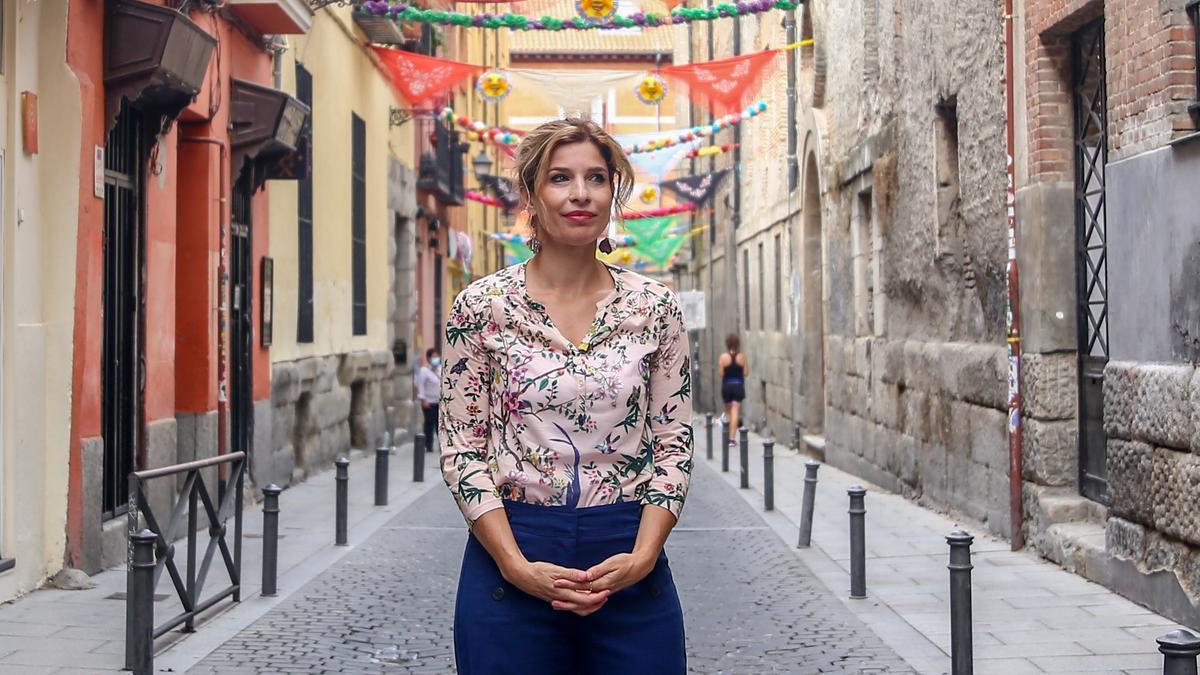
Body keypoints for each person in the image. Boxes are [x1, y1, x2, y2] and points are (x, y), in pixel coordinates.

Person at [438, 117, 693, 674]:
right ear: (531, 194)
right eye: (560, 178)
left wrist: (645, 555)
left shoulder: (655, 307)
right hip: (513, 553)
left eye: (596, 179)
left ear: (613, 193)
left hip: (628, 553)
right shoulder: (481, 308)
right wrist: (512, 564)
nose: (580, 194)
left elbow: (674, 438)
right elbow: (462, 447)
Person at [718, 333, 748, 446]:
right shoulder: (742, 357)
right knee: (736, 410)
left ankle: (729, 434)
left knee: (729, 411)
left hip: (727, 386)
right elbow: (746, 372)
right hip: (738, 386)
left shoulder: (723, 358)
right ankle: (732, 438)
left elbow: (720, 373)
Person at [416, 348, 441, 453]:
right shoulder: (424, 371)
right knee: (429, 423)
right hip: (429, 402)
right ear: (428, 358)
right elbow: (420, 385)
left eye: (437, 356)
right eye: (433, 356)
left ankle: (442, 445)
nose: (436, 359)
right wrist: (423, 399)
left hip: (440, 401)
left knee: (439, 424)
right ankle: (428, 444)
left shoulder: (441, 369)